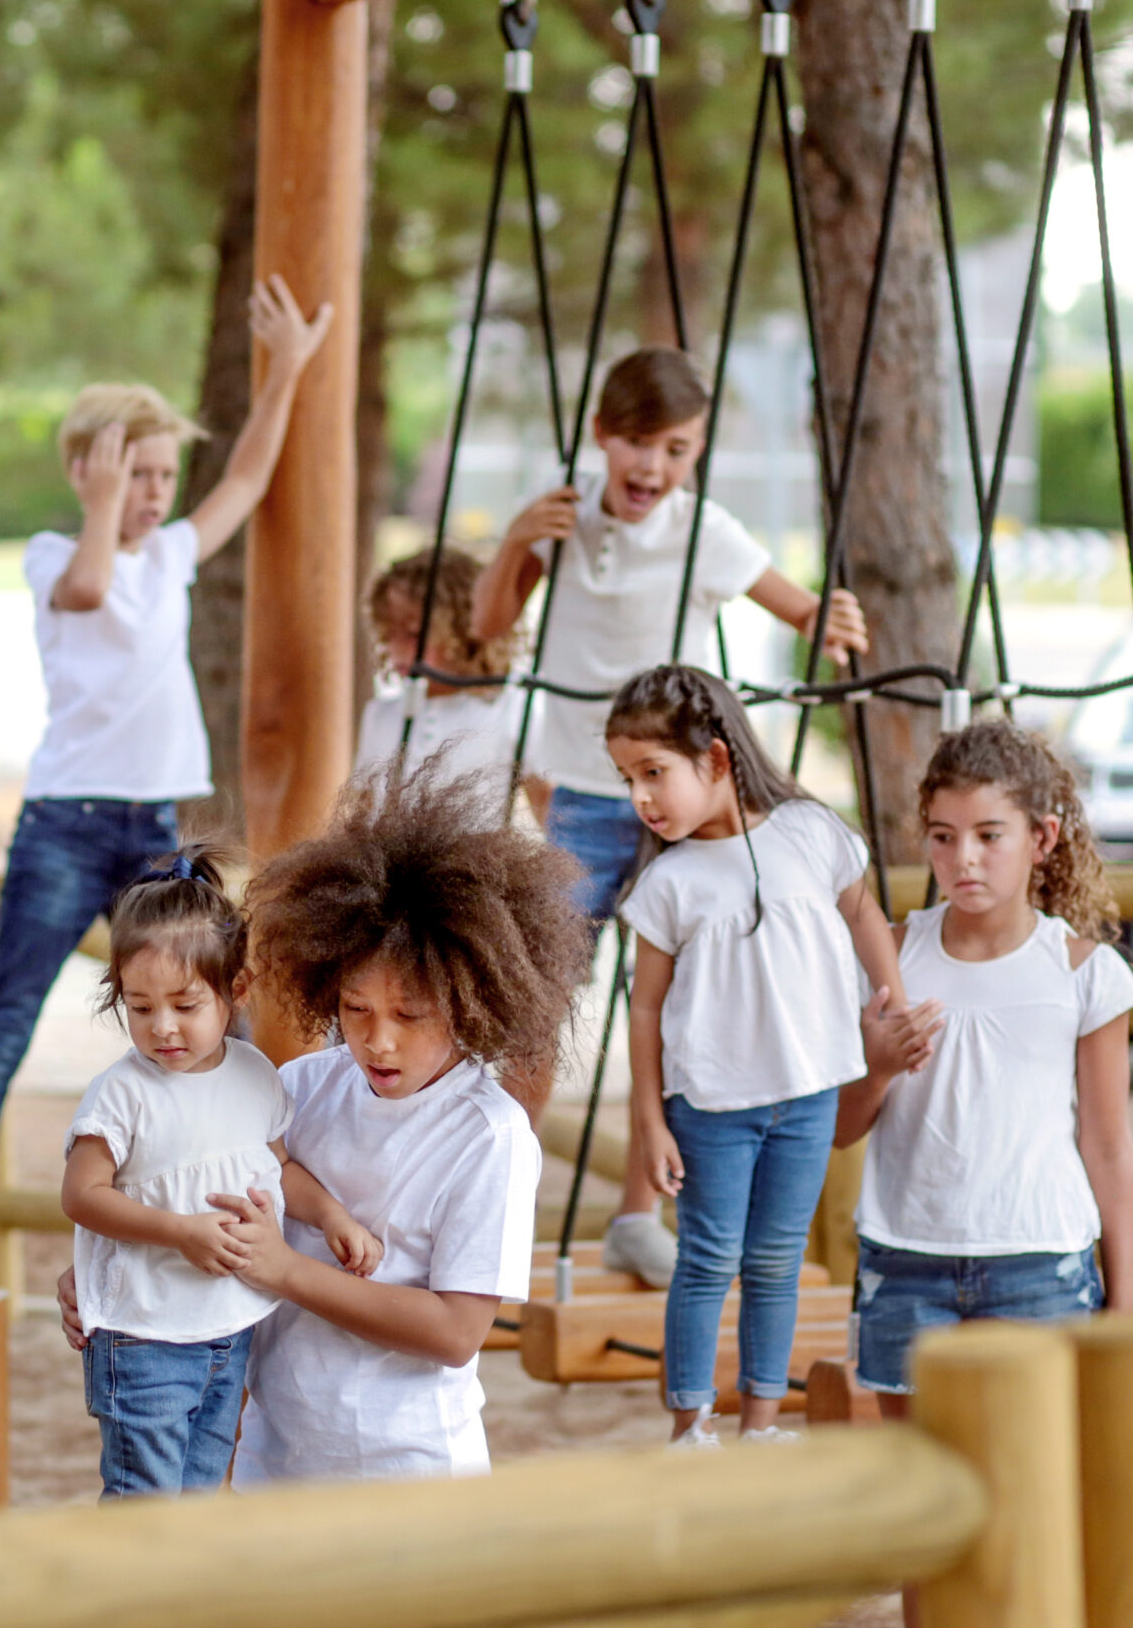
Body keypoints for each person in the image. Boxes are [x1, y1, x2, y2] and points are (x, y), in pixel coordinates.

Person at [0, 274, 336, 1295]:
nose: (153, 492)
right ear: (85, 473)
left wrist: (284, 373)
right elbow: (90, 588)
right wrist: (102, 507)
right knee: (1, 1029)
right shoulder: (62, 554)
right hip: (66, 824)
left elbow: (242, 477)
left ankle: (241, 1195)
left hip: (157, 825)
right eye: (132, 473)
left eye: (159, 475)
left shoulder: (176, 557)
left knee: (217, 1021)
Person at [56, 770, 591, 1483]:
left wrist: (288, 1270)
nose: (379, 1041)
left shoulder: (490, 1135)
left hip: (410, 1473)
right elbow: (191, 1190)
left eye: (411, 1014)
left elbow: (456, 1332)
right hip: (270, 1463)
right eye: (356, 1008)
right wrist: (105, 1275)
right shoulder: (298, 1086)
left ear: (471, 999)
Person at [467, 346, 871, 1289]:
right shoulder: (561, 512)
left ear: (696, 457)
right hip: (576, 790)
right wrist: (518, 538)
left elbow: (805, 611)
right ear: (604, 435)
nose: (652, 467)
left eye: (676, 450)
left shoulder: (706, 533)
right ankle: (496, 1204)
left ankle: (639, 1214)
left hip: (676, 810)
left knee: (682, 1006)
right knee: (541, 1002)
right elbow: (491, 626)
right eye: (638, 443)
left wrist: (836, 618)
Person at [605, 666, 905, 1448]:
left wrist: (892, 992)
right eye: (627, 777)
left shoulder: (811, 832)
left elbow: (865, 914)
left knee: (775, 1262)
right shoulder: (667, 883)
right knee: (706, 1260)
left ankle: (762, 1423)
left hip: (806, 1095)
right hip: (709, 1107)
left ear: (716, 758)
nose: (640, 795)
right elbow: (644, 1008)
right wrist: (650, 1120)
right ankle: (690, 1424)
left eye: (653, 772)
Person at [837, 719, 1133, 1410]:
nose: (963, 857)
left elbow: (1108, 1143)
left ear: (1042, 839)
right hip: (903, 1259)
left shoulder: (1085, 973)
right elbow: (840, 1128)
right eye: (943, 836)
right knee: (918, 1482)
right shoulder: (888, 956)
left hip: (1041, 1260)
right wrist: (878, 1066)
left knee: (1034, 1467)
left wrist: (1123, 1298)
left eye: (988, 835)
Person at [60, 851, 382, 1497]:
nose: (163, 1027)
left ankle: (183, 1600)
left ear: (236, 988)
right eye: (140, 1006)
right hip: (142, 1334)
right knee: (145, 1501)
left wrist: (334, 1216)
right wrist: (180, 1232)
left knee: (202, 1492)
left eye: (185, 1003)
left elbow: (280, 1167)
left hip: (228, 1331)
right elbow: (82, 1194)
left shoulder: (254, 1074)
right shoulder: (122, 1093)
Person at [351, 546, 549, 821]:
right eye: (388, 634)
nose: (396, 650)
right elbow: (361, 816)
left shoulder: (512, 711)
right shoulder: (380, 715)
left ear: (463, 630)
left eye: (413, 634)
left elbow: (550, 813)